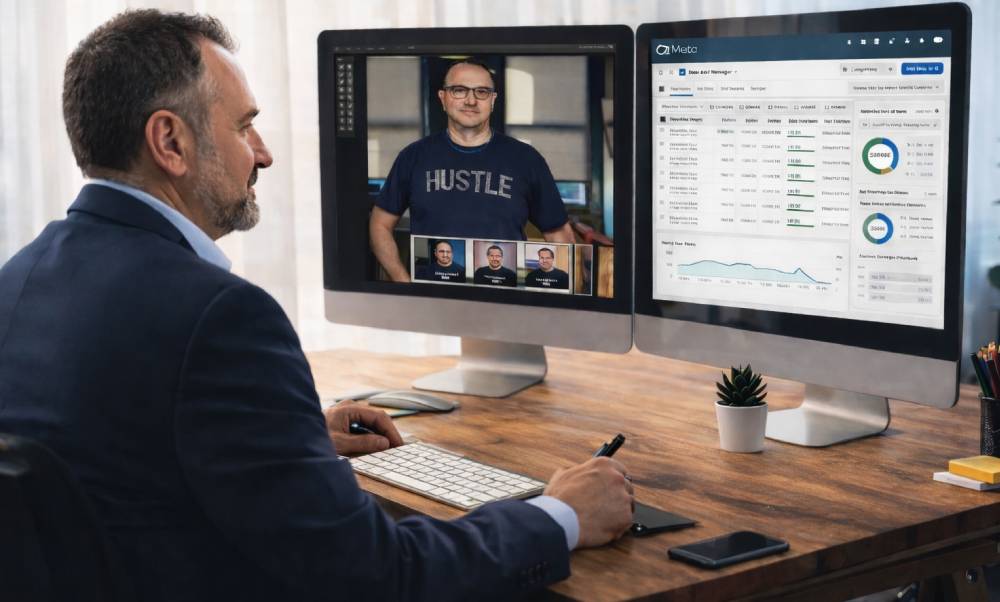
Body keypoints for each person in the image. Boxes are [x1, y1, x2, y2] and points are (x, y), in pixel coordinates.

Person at [0, 10, 634, 601]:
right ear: (170, 141)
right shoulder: (220, 318)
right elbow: (378, 575)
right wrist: (558, 516)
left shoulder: (18, 278)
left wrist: (279, 440)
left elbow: (117, 455)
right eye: (243, 126)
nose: (264, 152)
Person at [370, 57, 575, 282]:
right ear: (443, 98)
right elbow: (380, 224)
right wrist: (403, 282)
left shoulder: (526, 159)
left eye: (482, 92)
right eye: (459, 90)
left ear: (493, 100)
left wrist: (561, 291)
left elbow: (558, 234)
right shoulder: (413, 157)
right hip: (430, 297)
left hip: (504, 296)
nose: (470, 100)